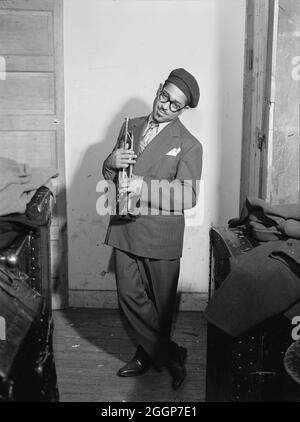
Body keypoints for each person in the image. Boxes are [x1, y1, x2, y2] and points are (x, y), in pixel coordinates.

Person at [102, 68, 203, 390]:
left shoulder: (189, 144)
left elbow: (188, 194)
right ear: (159, 89)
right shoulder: (129, 126)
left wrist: (144, 186)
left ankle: (147, 355)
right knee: (130, 298)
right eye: (165, 97)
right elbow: (111, 175)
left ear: (183, 110)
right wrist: (110, 161)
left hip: (161, 235)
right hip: (124, 227)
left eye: (175, 105)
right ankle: (171, 354)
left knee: (160, 309)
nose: (166, 107)